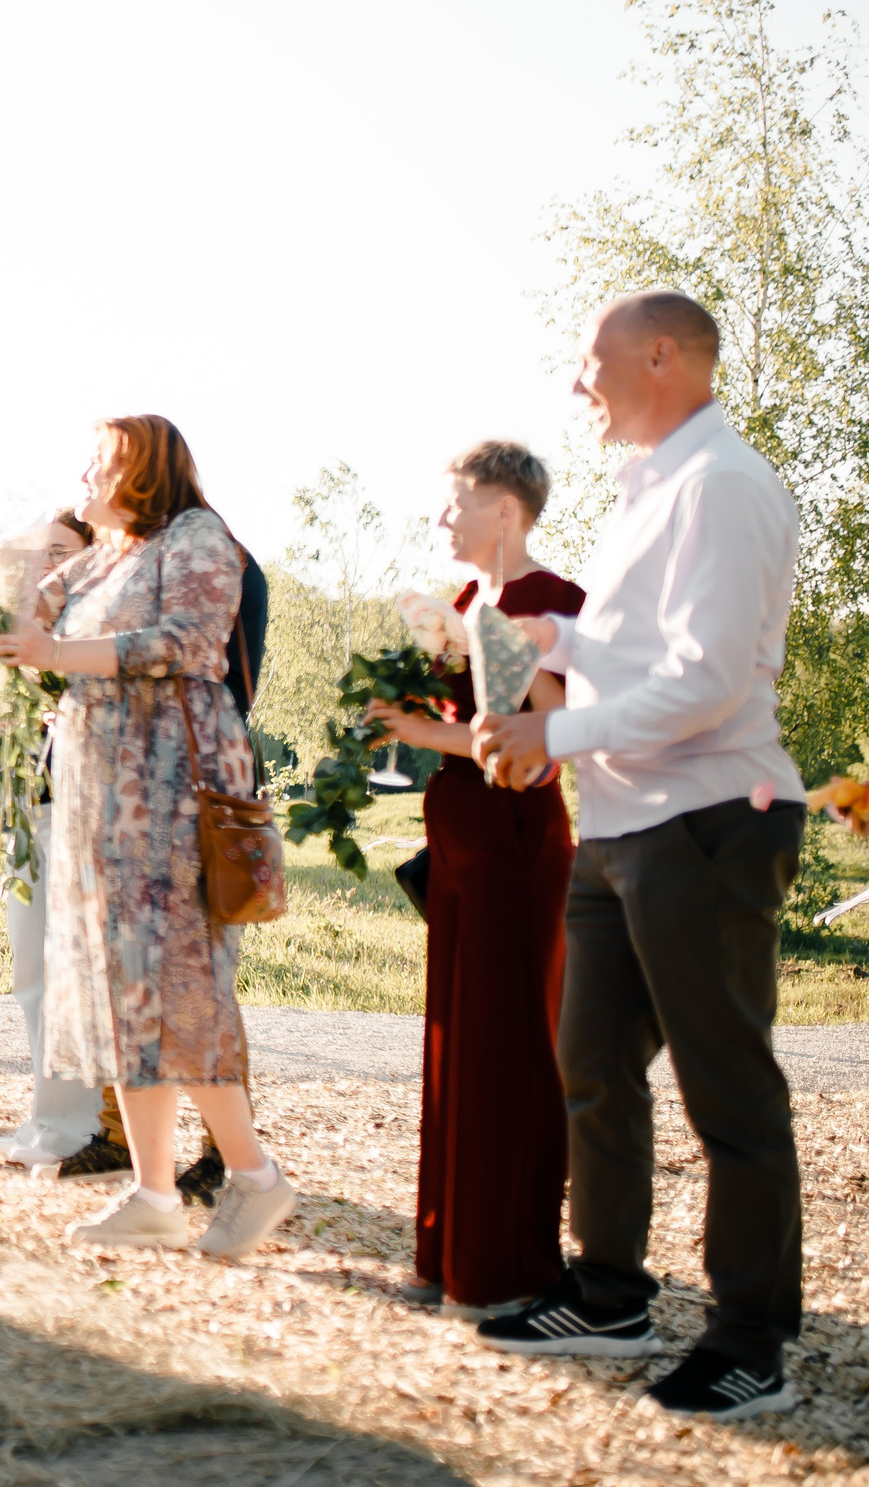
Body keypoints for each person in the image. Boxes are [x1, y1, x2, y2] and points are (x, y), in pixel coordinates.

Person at [472, 292, 810, 1420]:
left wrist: (552, 732)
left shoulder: (722, 486)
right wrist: (547, 641)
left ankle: (749, 1341)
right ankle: (608, 1295)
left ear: (660, 357)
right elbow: (635, 653)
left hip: (707, 821)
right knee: (594, 1071)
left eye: (590, 362)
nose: (578, 385)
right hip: (620, 828)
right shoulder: (650, 489)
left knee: (730, 1091)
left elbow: (708, 679)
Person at [8, 415, 295, 1259]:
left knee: (177, 984)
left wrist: (55, 650)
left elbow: (189, 643)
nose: (85, 473)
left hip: (172, 793)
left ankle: (254, 1177)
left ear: (143, 468)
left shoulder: (197, 537)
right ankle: (154, 1191)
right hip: (105, 797)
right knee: (119, 988)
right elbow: (25, 623)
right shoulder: (107, 554)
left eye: (101, 460)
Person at [364, 442, 581, 1321]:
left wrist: (432, 727)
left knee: (509, 1047)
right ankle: (445, 1250)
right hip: (456, 835)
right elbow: (458, 724)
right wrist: (400, 720)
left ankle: (506, 1263)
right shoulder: (460, 600)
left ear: (506, 509)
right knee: (453, 1043)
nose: (442, 518)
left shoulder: (552, 601)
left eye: (456, 502)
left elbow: (555, 730)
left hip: (515, 838)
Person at [0, 513, 108, 1166]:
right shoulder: (24, 622)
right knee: (30, 970)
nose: (46, 566)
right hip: (25, 804)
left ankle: (82, 1123)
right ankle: (47, 1115)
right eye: (40, 555)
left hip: (83, 805)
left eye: (61, 552)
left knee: (69, 971)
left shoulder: (95, 623)